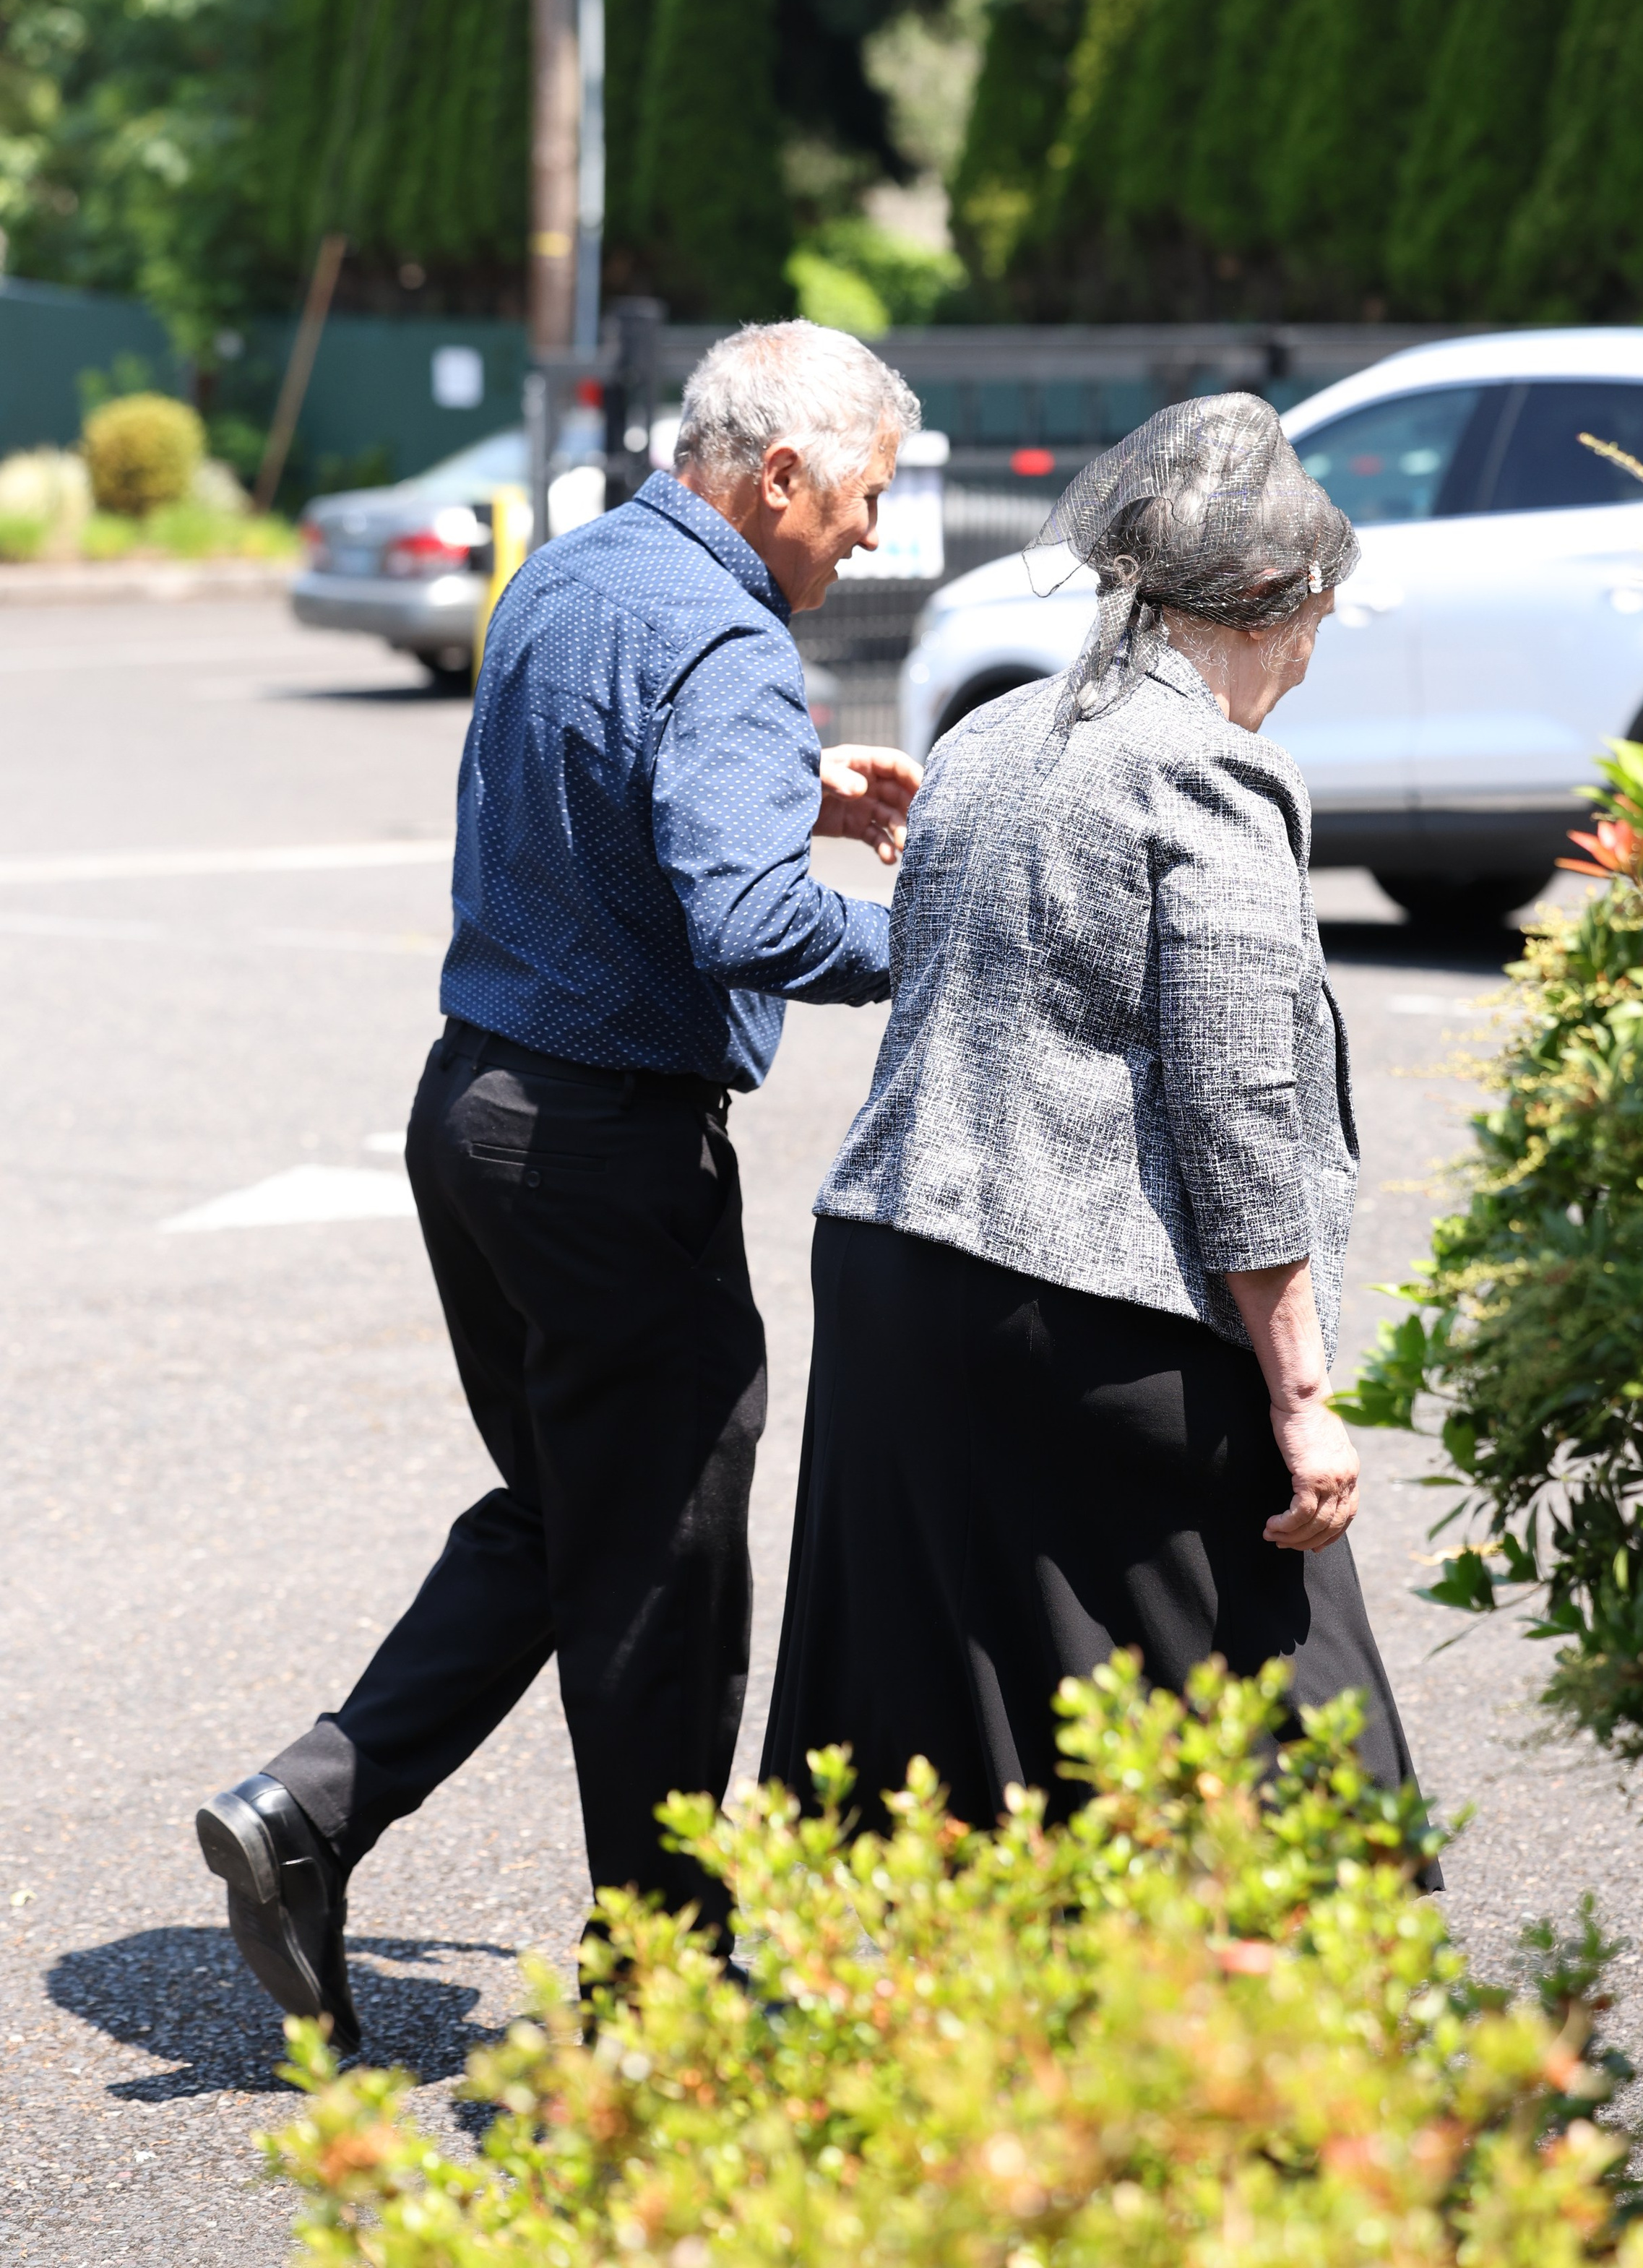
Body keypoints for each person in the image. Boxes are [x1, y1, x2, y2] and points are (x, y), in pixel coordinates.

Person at [197, 321, 923, 2052]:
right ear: (778, 479)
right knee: (663, 1565)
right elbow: (745, 922)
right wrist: (949, 935)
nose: (872, 538)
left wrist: (782, 788)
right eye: (866, 502)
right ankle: (664, 1989)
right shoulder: (734, 642)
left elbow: (586, 785)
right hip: (606, 1154)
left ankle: (306, 1812)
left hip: (473, 1119)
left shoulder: (573, 572)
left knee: (565, 1518)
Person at [761, 392, 1423, 1829]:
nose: (1307, 664)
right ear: (1272, 603)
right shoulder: (1211, 771)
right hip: (1073, 1300)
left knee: (957, 1724)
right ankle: (1276, 2030)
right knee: (1278, 1695)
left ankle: (939, 2030)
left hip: (889, 1273)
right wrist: (1302, 1400)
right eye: (1314, 624)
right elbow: (1237, 1108)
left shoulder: (989, 736)